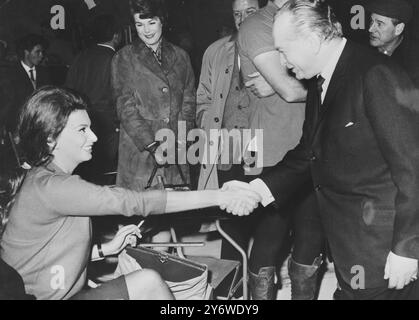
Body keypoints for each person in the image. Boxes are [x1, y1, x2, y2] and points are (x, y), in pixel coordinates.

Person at [224, 0, 419, 300]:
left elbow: (413, 165)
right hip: (349, 247)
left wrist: (407, 248)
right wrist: (257, 189)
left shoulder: (375, 73)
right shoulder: (320, 82)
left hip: (384, 250)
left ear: (313, 41)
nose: (283, 62)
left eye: (283, 50)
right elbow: (307, 154)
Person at [0, 87, 260, 300]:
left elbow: (46, 257)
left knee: (147, 281)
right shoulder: (53, 186)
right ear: (50, 139)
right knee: (148, 283)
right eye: (82, 130)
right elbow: (134, 202)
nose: (94, 137)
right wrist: (220, 196)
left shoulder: (45, 178)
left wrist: (105, 249)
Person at [235, 0, 324, 299]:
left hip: (306, 149)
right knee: (268, 241)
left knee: (310, 241)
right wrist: (319, 83)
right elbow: (292, 90)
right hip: (269, 152)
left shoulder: (302, 17)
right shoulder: (257, 25)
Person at [111, 0, 196, 244]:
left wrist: (178, 141)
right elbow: (125, 108)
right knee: (136, 226)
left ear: (162, 21)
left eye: (151, 22)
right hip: (140, 155)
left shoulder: (181, 57)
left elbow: (189, 101)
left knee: (166, 225)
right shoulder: (124, 58)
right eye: (139, 24)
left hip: (173, 153)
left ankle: (163, 277)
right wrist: (152, 146)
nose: (146, 30)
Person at [196, 0, 260, 298]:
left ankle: (260, 284)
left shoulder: (277, 48)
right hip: (225, 147)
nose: (242, 19)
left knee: (265, 218)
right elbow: (203, 98)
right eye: (237, 14)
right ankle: (230, 292)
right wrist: (209, 126)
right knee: (231, 217)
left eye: (249, 12)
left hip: (262, 146)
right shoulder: (215, 50)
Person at [66, 14, 122, 185]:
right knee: (109, 178)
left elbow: (67, 91)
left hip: (81, 128)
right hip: (109, 128)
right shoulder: (116, 59)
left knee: (89, 177)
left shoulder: (80, 57)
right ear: (116, 35)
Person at [366, 0, 419, 88]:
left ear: (398, 29)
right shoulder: (362, 49)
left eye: (379, 24)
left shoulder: (414, 64)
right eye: (371, 21)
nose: (370, 29)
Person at [6, 34, 51, 134]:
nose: (41, 55)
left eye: (42, 52)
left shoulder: (44, 73)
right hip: (17, 127)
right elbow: (8, 106)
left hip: (40, 126)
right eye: (37, 52)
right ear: (26, 52)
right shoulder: (10, 75)